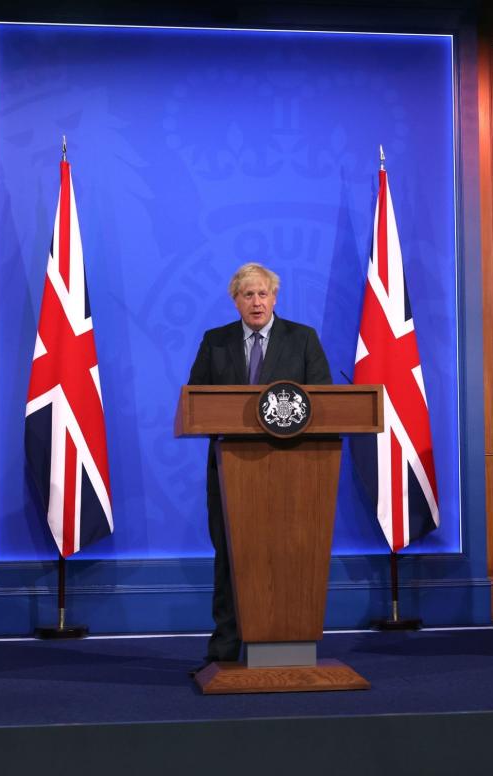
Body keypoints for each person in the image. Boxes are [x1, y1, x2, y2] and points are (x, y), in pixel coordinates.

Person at [186, 262, 331, 673]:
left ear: (275, 298)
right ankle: (227, 646)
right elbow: (197, 401)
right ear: (235, 301)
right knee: (230, 556)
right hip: (231, 472)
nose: (256, 302)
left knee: (291, 552)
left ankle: (290, 638)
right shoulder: (216, 342)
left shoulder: (302, 339)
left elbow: (323, 401)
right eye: (247, 294)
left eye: (263, 294)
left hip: (293, 475)